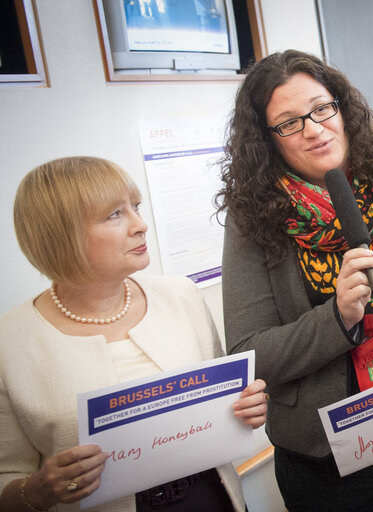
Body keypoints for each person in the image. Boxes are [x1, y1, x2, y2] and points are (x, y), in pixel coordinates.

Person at [217, 50, 373, 511]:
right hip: (332, 466)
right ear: (267, 138)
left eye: (320, 109)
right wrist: (335, 318)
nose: (313, 129)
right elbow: (249, 353)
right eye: (289, 122)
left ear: (342, 107)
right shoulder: (252, 221)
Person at [0, 157, 268, 512]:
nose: (141, 224)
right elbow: (8, 477)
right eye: (115, 214)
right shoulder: (10, 341)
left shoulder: (181, 296)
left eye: (136, 207)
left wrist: (246, 408)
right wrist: (37, 492)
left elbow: (225, 403)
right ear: (60, 234)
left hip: (215, 499)